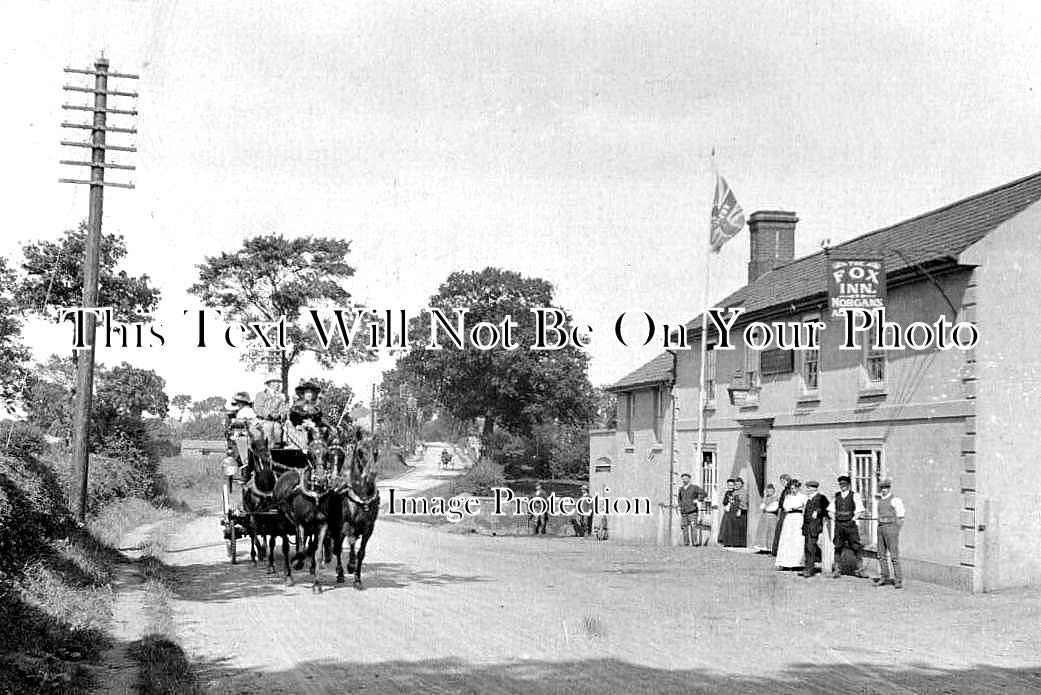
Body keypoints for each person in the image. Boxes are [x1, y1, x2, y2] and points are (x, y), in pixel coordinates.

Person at [832, 475, 868, 578]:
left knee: (856, 546)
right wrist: (834, 519)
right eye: (841, 484)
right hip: (839, 525)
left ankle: (860, 570)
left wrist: (853, 520)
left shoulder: (854, 495)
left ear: (848, 485)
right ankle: (837, 570)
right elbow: (830, 510)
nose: (842, 486)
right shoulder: (837, 496)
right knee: (838, 546)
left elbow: (860, 510)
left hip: (850, 524)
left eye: (844, 484)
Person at [873, 478, 906, 589]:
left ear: (889, 488)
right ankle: (884, 576)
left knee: (894, 555)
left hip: (891, 528)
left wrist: (896, 530)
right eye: (882, 488)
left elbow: (901, 517)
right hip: (880, 528)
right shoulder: (879, 500)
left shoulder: (895, 500)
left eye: (886, 488)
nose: (884, 490)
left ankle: (898, 579)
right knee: (881, 555)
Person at [775, 479, 806, 570]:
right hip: (789, 518)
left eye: (795, 488)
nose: (793, 490)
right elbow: (785, 507)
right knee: (787, 539)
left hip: (798, 518)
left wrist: (798, 508)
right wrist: (791, 508)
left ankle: (797, 563)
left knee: (797, 539)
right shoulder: (788, 497)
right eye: (791, 488)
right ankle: (785, 563)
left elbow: (805, 507)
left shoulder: (803, 497)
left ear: (798, 488)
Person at [801, 480, 830, 577]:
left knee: (811, 547)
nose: (807, 490)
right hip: (807, 526)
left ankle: (810, 570)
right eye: (807, 488)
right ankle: (807, 568)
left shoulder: (821, 498)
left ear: (814, 488)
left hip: (814, 527)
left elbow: (827, 509)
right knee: (807, 547)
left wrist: (818, 511)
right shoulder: (809, 498)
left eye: (809, 488)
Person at [254, 375, 288, 448]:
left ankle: (276, 449)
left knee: (278, 430)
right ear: (270, 383)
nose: (278, 384)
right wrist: (269, 414)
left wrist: (280, 415)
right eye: (275, 382)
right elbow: (258, 408)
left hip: (277, 422)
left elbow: (284, 409)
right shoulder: (261, 394)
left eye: (278, 382)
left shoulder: (281, 396)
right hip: (264, 421)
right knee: (268, 428)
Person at [677, 474, 705, 547]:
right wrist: (680, 506)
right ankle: (686, 543)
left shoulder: (694, 487)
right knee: (684, 528)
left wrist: (698, 499)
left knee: (693, 527)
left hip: (692, 511)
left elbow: (703, 493)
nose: (684, 480)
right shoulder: (681, 489)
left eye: (686, 478)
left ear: (689, 479)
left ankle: (695, 543)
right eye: (683, 479)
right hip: (684, 511)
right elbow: (679, 499)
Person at [722, 478, 748, 547]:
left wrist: (740, 509)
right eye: (736, 484)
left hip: (740, 511)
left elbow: (744, 502)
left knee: (739, 528)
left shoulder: (744, 492)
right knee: (732, 527)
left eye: (739, 484)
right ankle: (732, 542)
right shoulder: (735, 492)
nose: (737, 485)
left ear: (742, 484)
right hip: (733, 510)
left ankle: (740, 543)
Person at [753, 483, 779, 553]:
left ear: (773, 491)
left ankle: (770, 548)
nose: (769, 493)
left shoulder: (775, 499)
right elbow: (761, 507)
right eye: (768, 491)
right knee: (762, 532)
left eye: (770, 491)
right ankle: (762, 548)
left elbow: (773, 508)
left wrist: (766, 507)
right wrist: (764, 498)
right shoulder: (765, 498)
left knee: (770, 532)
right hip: (764, 517)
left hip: (772, 517)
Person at [772, 473, 792, 555]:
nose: (782, 483)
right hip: (783, 511)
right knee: (779, 530)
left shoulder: (789, 490)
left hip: (787, 512)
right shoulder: (785, 490)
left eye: (783, 481)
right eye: (781, 481)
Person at [717, 479, 736, 545]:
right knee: (725, 526)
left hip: (733, 511)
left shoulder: (735, 492)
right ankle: (724, 540)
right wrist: (727, 501)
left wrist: (732, 501)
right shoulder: (727, 492)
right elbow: (724, 502)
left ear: (734, 485)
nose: (730, 487)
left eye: (731, 485)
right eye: (728, 485)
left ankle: (731, 541)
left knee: (731, 526)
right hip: (727, 510)